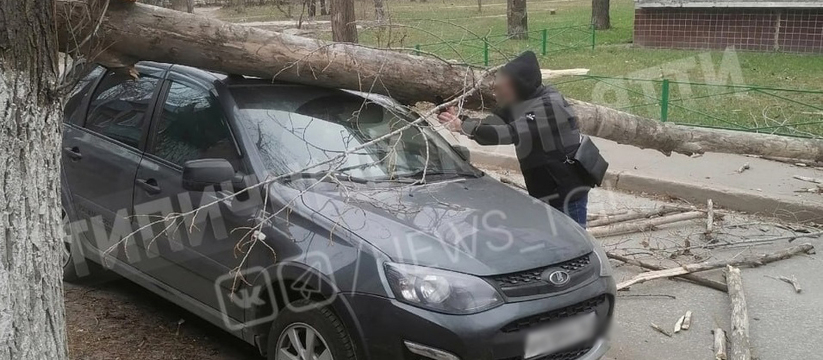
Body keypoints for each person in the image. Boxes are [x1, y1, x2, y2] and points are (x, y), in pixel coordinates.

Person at [437, 51, 593, 227]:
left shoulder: (549, 105)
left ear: (520, 85)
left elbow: (509, 133)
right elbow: (492, 124)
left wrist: (461, 126)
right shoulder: (519, 101)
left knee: (573, 242)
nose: (498, 94)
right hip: (544, 188)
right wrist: (460, 119)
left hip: (567, 191)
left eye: (504, 88)